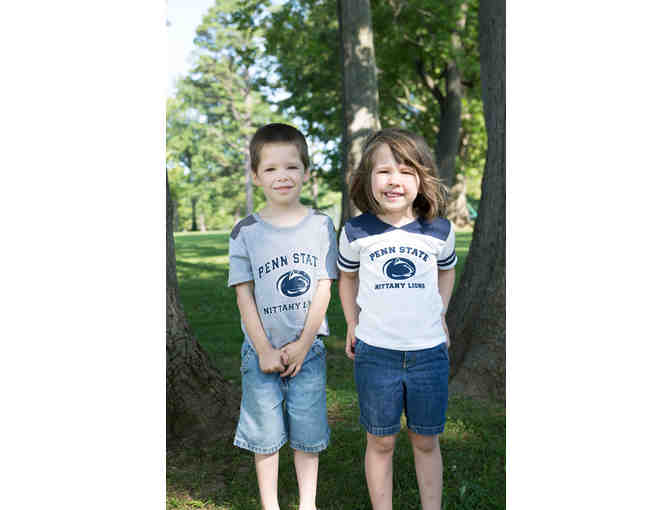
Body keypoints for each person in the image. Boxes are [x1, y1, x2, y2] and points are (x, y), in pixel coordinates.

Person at [338, 128, 457, 510]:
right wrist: (352, 323)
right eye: (384, 171)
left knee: (426, 440)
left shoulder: (439, 230)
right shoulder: (356, 231)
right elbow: (347, 278)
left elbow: (446, 271)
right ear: (367, 179)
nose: (394, 180)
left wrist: (441, 313)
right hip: (376, 354)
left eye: (406, 172)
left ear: (422, 179)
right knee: (381, 441)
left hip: (428, 354)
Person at [228, 123, 338, 510]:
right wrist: (263, 349)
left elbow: (324, 287)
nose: (282, 176)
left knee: (308, 433)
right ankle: (270, 504)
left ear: (306, 172)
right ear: (256, 175)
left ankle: (308, 504)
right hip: (260, 352)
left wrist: (305, 344)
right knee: (265, 436)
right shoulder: (244, 231)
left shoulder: (321, 225)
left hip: (309, 351)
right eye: (271, 168)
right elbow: (244, 294)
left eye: (292, 167)